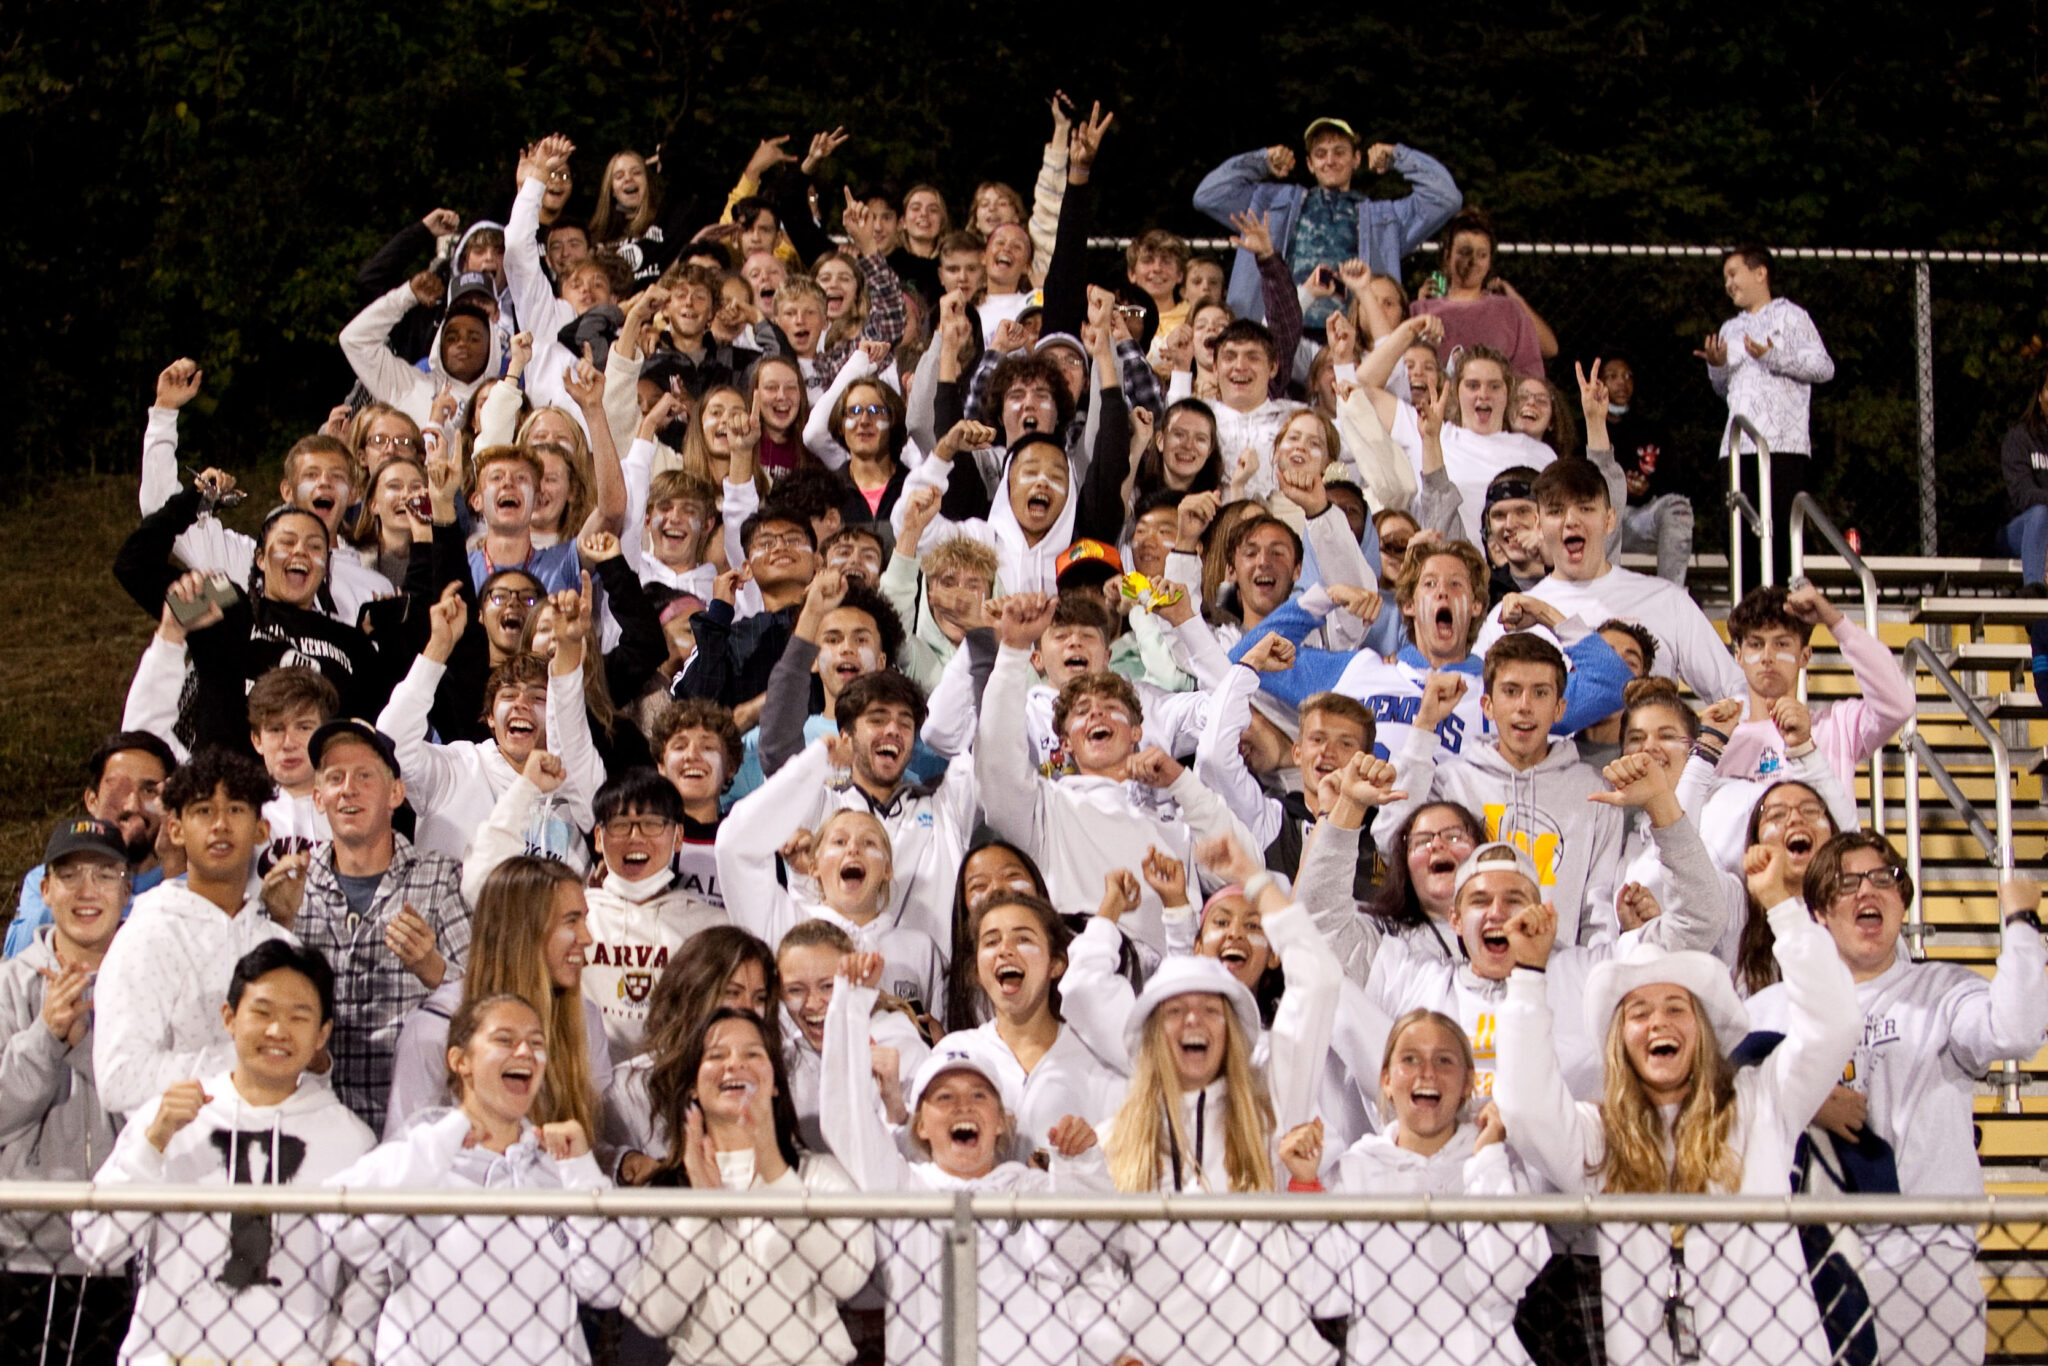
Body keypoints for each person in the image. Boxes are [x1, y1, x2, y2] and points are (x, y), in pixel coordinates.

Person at [1495, 842, 1858, 1366]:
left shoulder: (1760, 1102)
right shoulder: (1602, 1136)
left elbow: (1834, 1023)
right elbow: (1527, 1108)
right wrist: (1528, 980)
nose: (1658, 1023)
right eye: (1638, 1012)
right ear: (1621, 1039)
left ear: (1703, 1030)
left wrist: (1782, 908)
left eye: (1675, 1008)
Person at [1748, 837, 2048, 1366]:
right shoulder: (1771, 1010)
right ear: (1818, 913)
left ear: (1903, 901)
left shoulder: (1944, 990)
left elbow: (2019, 1031)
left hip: (1926, 1256)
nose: (1868, 889)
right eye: (1847, 882)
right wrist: (1802, 1099)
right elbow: (1719, 1104)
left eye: (1882, 878)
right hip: (1808, 1260)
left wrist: (2022, 924)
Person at [74, 941, 379, 1366]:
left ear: (322, 1035)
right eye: (263, 1012)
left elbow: (371, 1272)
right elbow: (95, 1245)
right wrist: (153, 1143)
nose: (277, 1031)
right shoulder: (169, 1117)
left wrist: (348, 1352)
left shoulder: (352, 1143)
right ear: (229, 1018)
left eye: (298, 1017)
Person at [1097, 836, 1340, 1366]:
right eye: (1176, 1010)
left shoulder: (1272, 1097)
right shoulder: (1116, 1136)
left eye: (1210, 1010)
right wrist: (1112, 1348)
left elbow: (1319, 980)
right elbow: (1085, 1265)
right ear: (1154, 1033)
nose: (1192, 1022)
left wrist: (1254, 875)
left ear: (1232, 1028)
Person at [324, 992, 645, 1366]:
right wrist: (446, 1137)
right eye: (505, 1040)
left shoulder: (559, 1170)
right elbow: (343, 1231)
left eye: (536, 1043)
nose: (525, 1052)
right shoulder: (417, 1156)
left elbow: (608, 1285)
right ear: (461, 1060)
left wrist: (581, 1171)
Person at [821, 955, 1108, 1366]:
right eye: (944, 1097)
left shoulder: (1030, 1190)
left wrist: (1080, 1166)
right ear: (920, 1126)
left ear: (999, 1123)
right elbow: (844, 1118)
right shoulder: (906, 1191)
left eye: (978, 1095)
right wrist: (850, 1004)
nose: (962, 1107)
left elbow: (1077, 1253)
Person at [977, 593, 1258, 954]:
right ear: (1065, 743)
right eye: (1082, 711)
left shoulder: (1175, 822)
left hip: (1168, 996)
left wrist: (1181, 781)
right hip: (1077, 987)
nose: (1097, 715)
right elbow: (997, 760)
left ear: (1137, 732)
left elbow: (1246, 869)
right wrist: (1014, 650)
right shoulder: (1046, 810)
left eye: (1110, 707)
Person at [622, 1005, 876, 1366]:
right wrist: (702, 1211)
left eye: (752, 1054)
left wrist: (775, 1172)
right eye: (716, 1055)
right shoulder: (663, 1190)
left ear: (775, 1083)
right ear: (693, 1085)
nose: (734, 1065)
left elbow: (847, 1278)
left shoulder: (820, 1176)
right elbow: (654, 1314)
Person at [1312, 1009, 1546, 1366]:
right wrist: (1303, 1184)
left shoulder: (1499, 1163)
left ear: (1469, 1082)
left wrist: (1487, 1160)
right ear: (1387, 1080)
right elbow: (1322, 1294)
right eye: (1410, 1059)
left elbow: (1504, 1278)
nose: (1427, 1073)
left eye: (1444, 1060)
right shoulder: (1352, 1171)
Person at [1376, 631, 1627, 947]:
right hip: (1462, 977)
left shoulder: (1594, 792)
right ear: (1488, 705)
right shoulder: (1450, 782)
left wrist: (1584, 983)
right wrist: (1424, 725)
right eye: (1511, 691)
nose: (1525, 706)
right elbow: (1391, 841)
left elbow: (1598, 912)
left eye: (1540, 693)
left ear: (1559, 708)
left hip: (1555, 979)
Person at [92, 748, 300, 1117]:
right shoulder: (147, 936)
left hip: (272, 1158)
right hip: (174, 1161)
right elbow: (119, 1079)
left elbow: (307, 1077)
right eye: (204, 811)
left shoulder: (281, 945)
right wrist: (249, 1060)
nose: (220, 824)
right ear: (176, 829)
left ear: (261, 829)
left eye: (235, 809)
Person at [472, 764, 726, 1062]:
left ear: (678, 836)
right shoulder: (565, 914)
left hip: (674, 1095)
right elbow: (481, 885)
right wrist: (526, 787)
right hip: (577, 1091)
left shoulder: (711, 930)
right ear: (597, 837)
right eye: (620, 824)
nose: (636, 837)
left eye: (653, 824)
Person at [297, 718, 471, 1130]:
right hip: (316, 1123)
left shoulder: (441, 878)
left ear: (396, 792)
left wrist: (434, 969)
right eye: (335, 778)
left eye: (364, 776)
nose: (348, 790)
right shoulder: (293, 889)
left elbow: (486, 1007)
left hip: (416, 1125)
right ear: (319, 797)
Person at [0, 819, 131, 1366]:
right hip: (22, 1254)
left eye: (105, 874)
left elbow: (152, 1110)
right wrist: (46, 1037)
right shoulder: (8, 984)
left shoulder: (147, 981)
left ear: (128, 892)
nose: (86, 891)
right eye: (70, 875)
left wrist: (78, 1049)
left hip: (126, 1250)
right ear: (45, 888)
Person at [1474, 457, 1749, 704]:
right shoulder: (1509, 618)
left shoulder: (1666, 600)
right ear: (1538, 524)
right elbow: (1474, 705)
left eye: (1585, 508)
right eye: (1556, 511)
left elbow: (1736, 692)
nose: (1571, 521)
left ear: (1609, 520)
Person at [383, 854, 608, 1143]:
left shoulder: (585, 1019)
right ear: (523, 932)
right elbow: (403, 1162)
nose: (587, 937)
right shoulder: (435, 1028)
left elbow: (593, 1144)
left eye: (584, 920)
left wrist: (622, 1162)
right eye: (571, 921)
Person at [718, 742, 946, 1020]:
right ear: (814, 866)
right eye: (839, 841)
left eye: (869, 842)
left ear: (887, 869)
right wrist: (813, 766)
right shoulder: (788, 926)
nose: (853, 849)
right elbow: (734, 847)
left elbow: (938, 1046)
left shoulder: (920, 949)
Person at [1193, 119, 1462, 330]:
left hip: (1352, 338)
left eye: (1339, 152)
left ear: (1356, 159)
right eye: (1320, 154)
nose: (1329, 160)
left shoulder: (1383, 218)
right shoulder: (1271, 203)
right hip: (1281, 335)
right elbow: (1208, 196)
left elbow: (1445, 198)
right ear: (1310, 164)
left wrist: (1398, 156)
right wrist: (1261, 160)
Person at [1695, 245, 1834, 590]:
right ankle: (1749, 611)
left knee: (1781, 537)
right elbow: (1723, 388)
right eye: (1724, 277)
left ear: (1760, 273)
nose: (1728, 284)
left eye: (1733, 273)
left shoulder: (1792, 317)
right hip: (1737, 447)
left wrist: (1773, 355)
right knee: (1738, 537)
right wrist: (1716, 367)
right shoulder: (1729, 328)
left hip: (1782, 446)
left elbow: (1824, 367)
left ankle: (1785, 612)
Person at [5, 732, 176, 959]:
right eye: (118, 789)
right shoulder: (45, 880)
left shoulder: (196, 882)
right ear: (91, 801)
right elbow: (20, 957)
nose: (133, 804)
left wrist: (176, 862)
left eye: (149, 791)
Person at [1410, 209, 1554, 377]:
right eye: (1464, 253)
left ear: (1489, 261)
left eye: (1482, 255)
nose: (1473, 262)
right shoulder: (1419, 310)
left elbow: (1531, 371)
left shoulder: (1509, 310)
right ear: (1447, 256)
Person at [1595, 356, 1695, 587]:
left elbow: (1676, 482)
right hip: (1603, 522)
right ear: (1599, 383)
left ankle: (1671, 597)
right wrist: (1619, 489)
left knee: (1678, 508)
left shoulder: (1653, 430)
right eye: (1613, 376)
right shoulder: (1587, 430)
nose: (1622, 382)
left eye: (1628, 376)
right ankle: (1604, 598)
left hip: (1641, 520)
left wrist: (1648, 488)